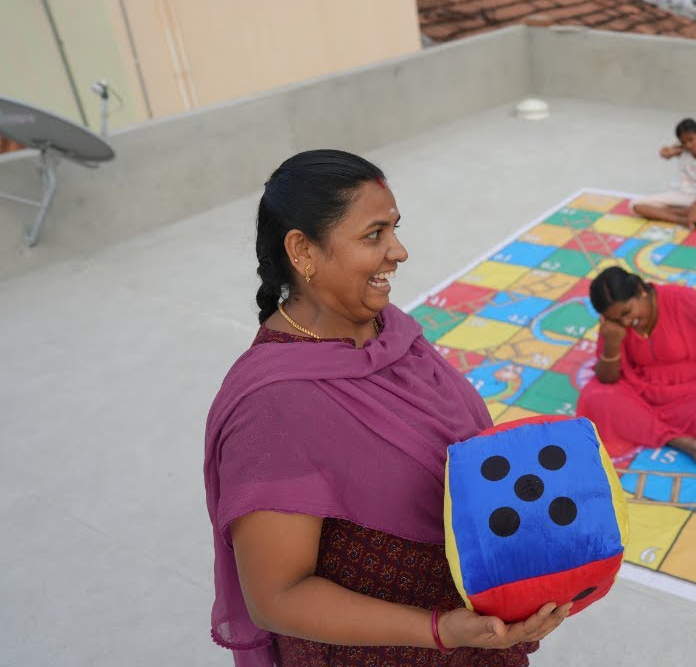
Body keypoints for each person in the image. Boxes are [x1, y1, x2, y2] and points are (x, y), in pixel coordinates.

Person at [203, 150, 571, 667]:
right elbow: (276, 596)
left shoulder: (388, 330)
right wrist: (441, 630)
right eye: (374, 235)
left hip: (476, 636)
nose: (398, 251)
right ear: (302, 250)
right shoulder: (273, 408)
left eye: (394, 229)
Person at [576, 266, 696, 466]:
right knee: (594, 399)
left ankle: (647, 428)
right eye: (617, 318)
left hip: (692, 386)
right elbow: (608, 378)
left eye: (627, 312)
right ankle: (676, 440)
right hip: (639, 388)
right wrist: (612, 343)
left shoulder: (680, 299)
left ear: (641, 290)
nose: (626, 321)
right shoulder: (615, 324)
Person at [630, 118, 696, 230]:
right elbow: (666, 154)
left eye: (691, 140)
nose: (688, 145)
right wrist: (670, 150)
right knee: (636, 205)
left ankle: (664, 212)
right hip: (677, 194)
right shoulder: (681, 149)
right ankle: (682, 220)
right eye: (684, 142)